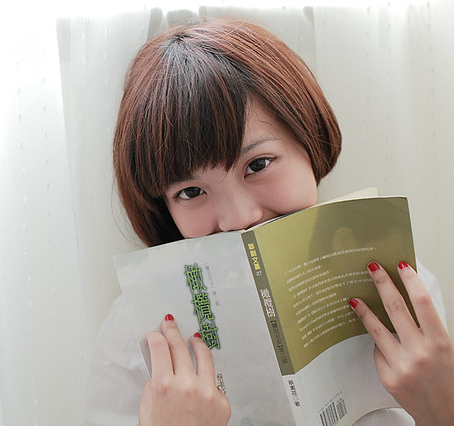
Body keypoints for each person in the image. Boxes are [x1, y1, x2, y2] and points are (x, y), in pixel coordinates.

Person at [86, 17, 454, 425]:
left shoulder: (401, 290)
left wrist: (441, 410)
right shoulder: (137, 332)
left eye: (258, 164)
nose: (240, 218)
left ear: (309, 142)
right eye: (190, 192)